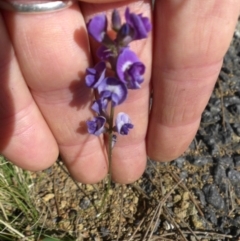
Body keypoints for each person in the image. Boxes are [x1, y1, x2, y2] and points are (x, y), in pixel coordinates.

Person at [0, 0, 239, 184]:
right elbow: (116, 71)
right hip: (113, 78)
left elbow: (126, 73)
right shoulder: (114, 59)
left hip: (116, 77)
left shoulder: (122, 60)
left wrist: (122, 74)